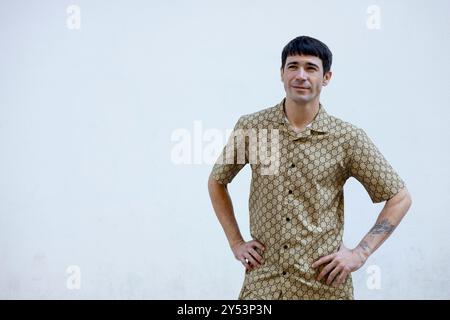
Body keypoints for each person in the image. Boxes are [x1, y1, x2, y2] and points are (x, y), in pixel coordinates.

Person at [207, 35, 412, 300]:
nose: (300, 75)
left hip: (323, 286)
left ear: (326, 77)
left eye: (310, 68)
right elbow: (217, 181)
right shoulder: (252, 128)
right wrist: (236, 242)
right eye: (292, 66)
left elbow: (400, 197)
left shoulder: (347, 138)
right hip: (264, 285)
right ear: (281, 73)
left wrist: (361, 253)